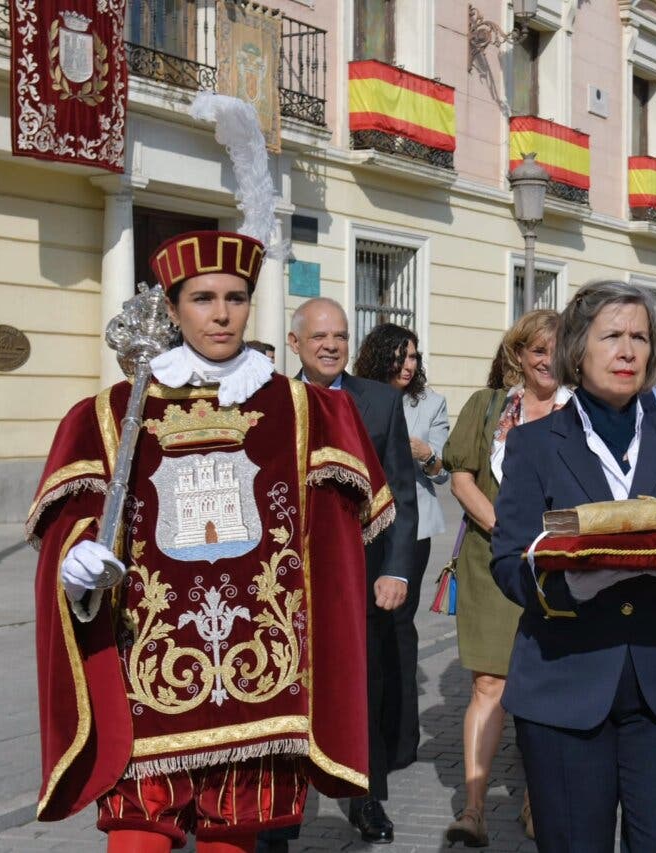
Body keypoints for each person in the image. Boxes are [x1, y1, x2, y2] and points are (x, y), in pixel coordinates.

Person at [33, 230, 391, 853]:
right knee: (137, 840)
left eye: (236, 297)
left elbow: (334, 552)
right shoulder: (112, 413)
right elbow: (79, 528)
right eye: (202, 298)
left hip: (261, 682)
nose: (221, 314)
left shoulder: (306, 411)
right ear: (172, 310)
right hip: (147, 680)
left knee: (236, 840)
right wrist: (77, 562)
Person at [491, 281, 656, 852]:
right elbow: (508, 562)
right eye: (611, 336)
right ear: (577, 350)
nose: (628, 350)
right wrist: (574, 579)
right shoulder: (532, 444)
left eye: (639, 337)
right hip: (563, 686)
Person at [284, 298, 419, 845]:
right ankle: (282, 810)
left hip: (361, 572)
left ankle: (366, 802)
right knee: (289, 696)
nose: (331, 345)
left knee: (363, 688)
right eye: (318, 337)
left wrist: (398, 571)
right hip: (287, 579)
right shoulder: (273, 401)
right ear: (295, 344)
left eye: (339, 335)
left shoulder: (380, 401)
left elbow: (402, 495)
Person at [442, 309, 570, 846]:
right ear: (518, 355)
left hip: (560, 564)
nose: (546, 360)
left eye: (556, 350)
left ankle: (536, 802)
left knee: (550, 685)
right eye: (536, 350)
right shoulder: (488, 406)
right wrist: (507, 531)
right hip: (491, 560)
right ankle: (473, 809)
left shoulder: (582, 412)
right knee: (489, 682)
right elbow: (461, 477)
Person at [353, 323, 450, 771]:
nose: (408, 365)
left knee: (398, 628)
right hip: (361, 526)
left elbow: (443, 471)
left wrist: (425, 451)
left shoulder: (429, 403)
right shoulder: (355, 396)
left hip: (412, 529)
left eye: (414, 357)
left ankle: (399, 740)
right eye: (400, 356)